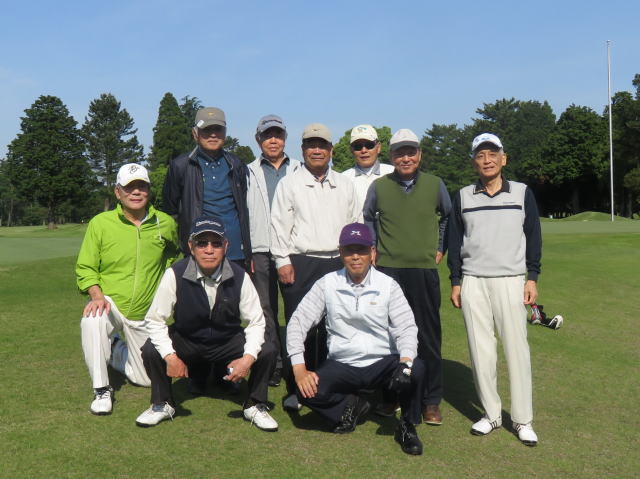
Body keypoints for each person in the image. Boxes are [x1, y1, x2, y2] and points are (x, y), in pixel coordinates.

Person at [287, 223, 425, 455]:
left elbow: (407, 327)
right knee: (305, 390)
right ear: (341, 252)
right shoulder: (327, 284)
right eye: (349, 250)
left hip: (382, 362)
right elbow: (298, 323)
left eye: (361, 250)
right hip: (343, 364)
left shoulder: (388, 285)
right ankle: (351, 407)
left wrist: (406, 362)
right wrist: (299, 368)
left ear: (372, 252)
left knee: (417, 369)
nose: (355, 257)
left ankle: (407, 427)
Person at [136, 216, 278, 431]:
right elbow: (155, 320)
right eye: (202, 243)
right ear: (191, 247)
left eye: (216, 243)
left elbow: (256, 323)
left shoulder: (240, 276)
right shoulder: (174, 274)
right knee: (151, 349)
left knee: (267, 349)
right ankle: (162, 403)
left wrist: (247, 359)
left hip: (227, 341)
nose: (209, 250)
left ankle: (255, 404)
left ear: (226, 246)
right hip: (188, 340)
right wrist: (171, 357)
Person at [447, 133, 542, 446]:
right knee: (481, 351)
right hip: (473, 280)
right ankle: (491, 414)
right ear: (473, 162)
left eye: (492, 154)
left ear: (504, 158)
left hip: (511, 279)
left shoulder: (522, 192)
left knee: (516, 349)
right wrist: (456, 281)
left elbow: (534, 236)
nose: (486, 160)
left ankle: (523, 419)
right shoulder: (463, 196)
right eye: (480, 155)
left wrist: (532, 277)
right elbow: (454, 241)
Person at [363, 128, 451, 425]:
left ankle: (430, 400)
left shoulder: (435, 184)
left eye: (411, 152)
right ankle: (392, 397)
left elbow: (448, 216)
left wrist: (440, 247)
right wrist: (373, 247)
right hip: (388, 271)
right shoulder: (379, 186)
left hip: (423, 270)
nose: (406, 158)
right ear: (391, 156)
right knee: (389, 336)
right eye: (400, 153)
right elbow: (368, 217)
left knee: (428, 336)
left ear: (419, 155)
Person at [76, 163, 180, 415]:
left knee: (145, 379)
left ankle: (114, 348)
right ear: (117, 192)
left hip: (145, 311)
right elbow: (86, 267)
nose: (136, 192)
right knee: (92, 319)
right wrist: (96, 296)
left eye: (141, 187)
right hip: (109, 302)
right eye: (129, 187)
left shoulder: (164, 223)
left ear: (148, 191)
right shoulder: (101, 223)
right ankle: (102, 389)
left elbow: (173, 260)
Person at [270, 123, 359, 410]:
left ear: (331, 150)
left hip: (338, 261)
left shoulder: (345, 184)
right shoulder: (289, 183)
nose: (317, 150)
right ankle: (298, 389)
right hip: (302, 262)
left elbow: (355, 223)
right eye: (311, 145)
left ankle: (331, 386)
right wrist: (282, 261)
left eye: (322, 145)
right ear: (303, 149)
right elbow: (279, 226)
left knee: (337, 327)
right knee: (301, 328)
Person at [247, 115, 301, 387]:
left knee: (297, 308)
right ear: (258, 140)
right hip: (260, 249)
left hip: (293, 249)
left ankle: (297, 362)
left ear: (285, 138)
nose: (273, 140)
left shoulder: (300, 168)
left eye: (277, 135)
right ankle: (275, 363)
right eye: (267, 135)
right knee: (265, 310)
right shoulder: (247, 171)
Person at [162, 106, 251, 270]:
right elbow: (170, 211)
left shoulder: (236, 164)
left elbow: (244, 207)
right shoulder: (180, 166)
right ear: (195, 133)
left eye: (218, 129)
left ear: (225, 132)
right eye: (207, 130)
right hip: (200, 251)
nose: (213, 135)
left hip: (235, 250)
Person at [341, 124, 394, 221]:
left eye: (369, 145)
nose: (364, 150)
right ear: (351, 150)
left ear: (378, 147)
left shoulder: (393, 173)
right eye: (358, 147)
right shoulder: (343, 179)